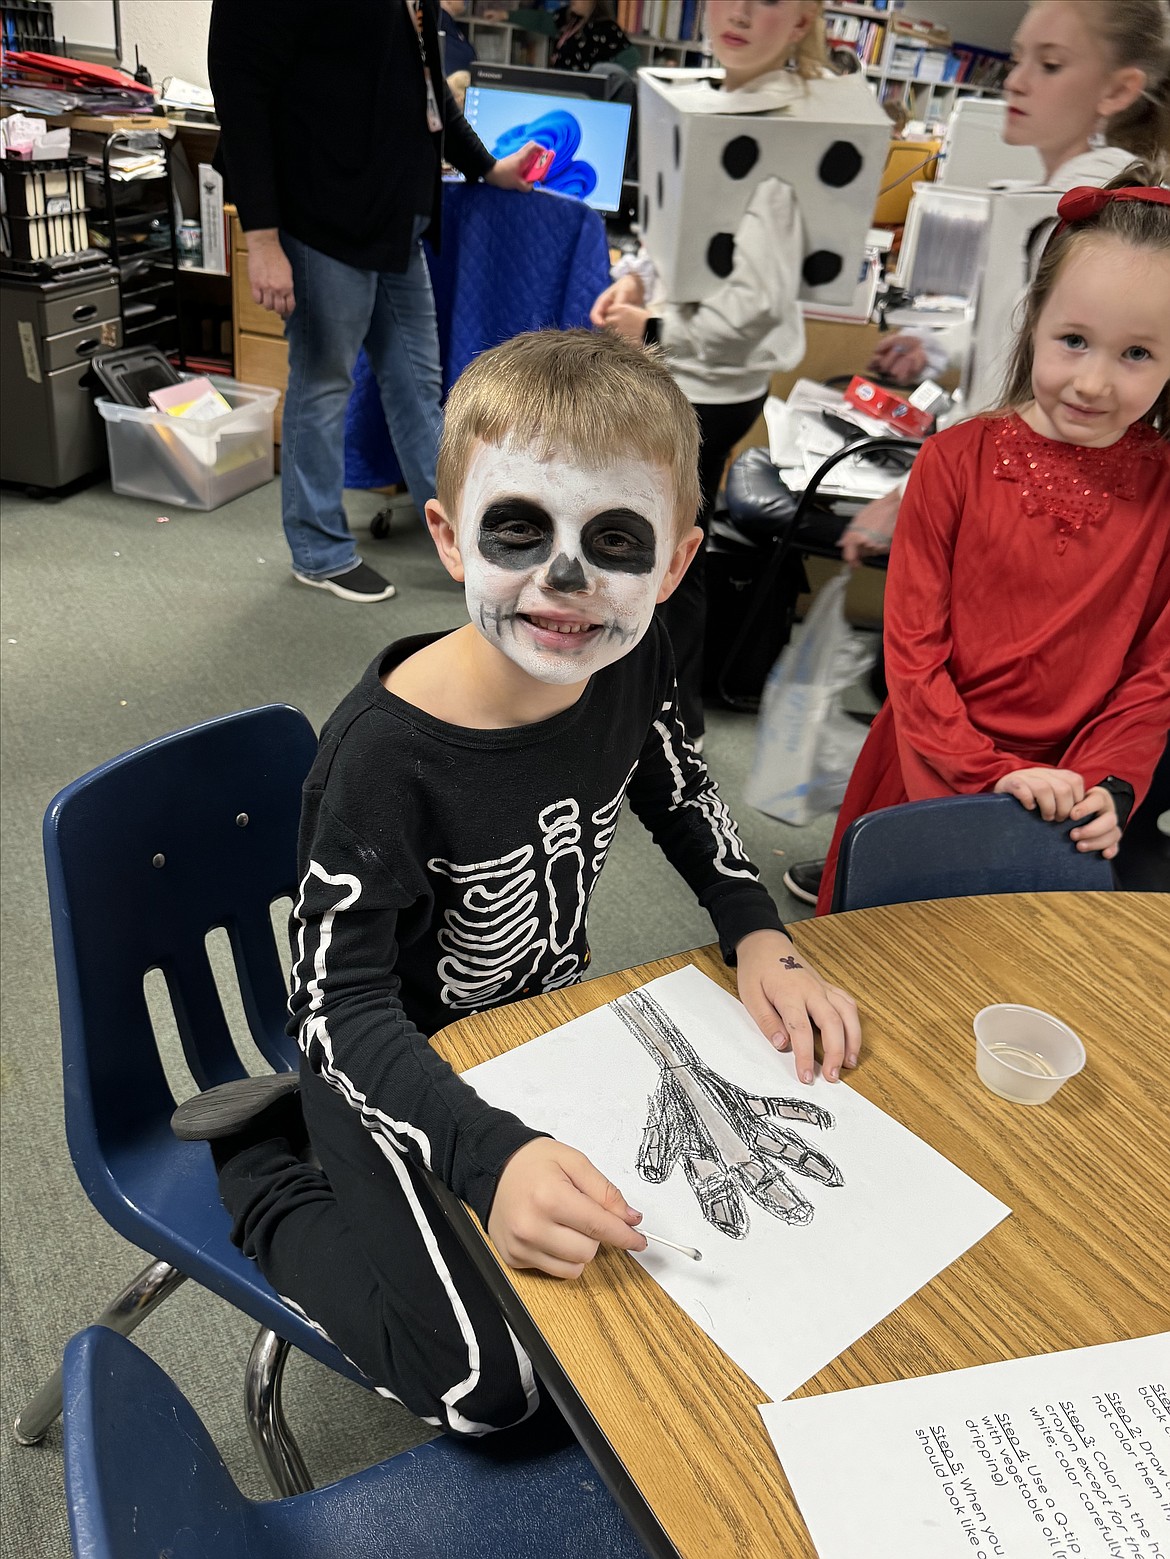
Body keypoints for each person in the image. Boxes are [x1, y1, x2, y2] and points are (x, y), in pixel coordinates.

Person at [171, 330, 863, 1437]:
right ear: (449, 537)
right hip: (385, 1064)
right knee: (490, 1389)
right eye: (519, 528)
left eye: (617, 539)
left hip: (536, 1027)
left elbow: (677, 780)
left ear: (676, 563)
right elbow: (334, 1004)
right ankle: (260, 1161)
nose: (569, 578)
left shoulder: (629, 653)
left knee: (684, 1304)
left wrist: (755, 928)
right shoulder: (382, 759)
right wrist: (484, 1155)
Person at [785, 0, 1169, 909]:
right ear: (1035, 321)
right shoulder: (957, 460)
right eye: (1074, 340)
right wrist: (989, 773)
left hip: (1070, 804)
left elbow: (1155, 673)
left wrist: (1106, 783)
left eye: (1138, 354)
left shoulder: (1163, 490)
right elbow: (913, 658)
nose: (1094, 383)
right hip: (930, 769)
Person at [207, 0, 539, 604]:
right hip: (320, 219)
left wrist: (489, 169)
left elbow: (426, 87)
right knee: (323, 383)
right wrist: (261, 239)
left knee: (419, 387)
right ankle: (318, 551)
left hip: (394, 224)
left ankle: (463, 539)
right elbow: (241, 95)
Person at [838, 0, 1169, 573]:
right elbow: (1013, 331)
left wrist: (915, 492)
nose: (1015, 81)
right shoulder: (1052, 195)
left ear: (1116, 91)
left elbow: (1026, 382)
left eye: (1051, 65)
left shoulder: (1089, 215)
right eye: (1018, 60)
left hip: (1010, 498)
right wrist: (937, 347)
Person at [590, 0, 838, 744]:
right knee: (665, 543)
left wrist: (653, 325)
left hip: (709, 383)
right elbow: (683, 232)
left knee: (670, 553)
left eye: (768, 1)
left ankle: (672, 724)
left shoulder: (777, 131)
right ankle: (658, 711)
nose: (738, 12)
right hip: (683, 370)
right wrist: (635, 277)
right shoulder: (712, 100)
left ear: (799, 24)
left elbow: (756, 304)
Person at [549, 0, 632, 73]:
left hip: (583, 86)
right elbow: (542, 20)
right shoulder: (571, 18)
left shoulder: (607, 29)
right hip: (560, 82)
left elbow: (631, 58)